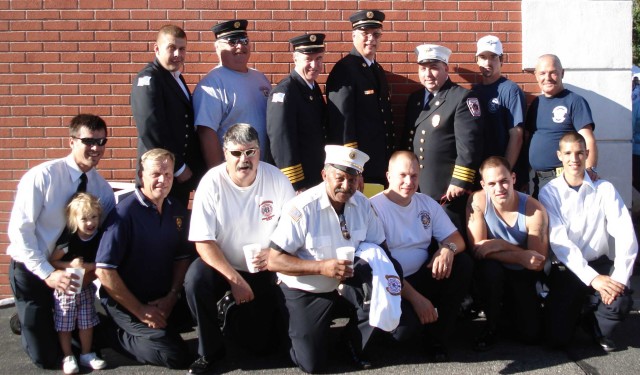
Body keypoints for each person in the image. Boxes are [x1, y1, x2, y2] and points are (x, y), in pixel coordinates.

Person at [268, 145, 402, 373]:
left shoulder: (363, 204)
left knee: (390, 272)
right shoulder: (302, 208)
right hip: (307, 288)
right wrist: (321, 268)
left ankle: (353, 342)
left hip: (346, 280)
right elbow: (274, 260)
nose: (346, 186)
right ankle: (293, 335)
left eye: (353, 179)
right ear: (324, 175)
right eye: (339, 178)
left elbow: (380, 246)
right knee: (312, 364)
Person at [184, 123, 295, 374]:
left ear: (259, 151)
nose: (243, 159)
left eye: (250, 152)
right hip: (223, 265)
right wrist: (234, 279)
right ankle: (209, 351)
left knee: (262, 346)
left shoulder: (276, 178)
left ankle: (230, 314)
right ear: (225, 153)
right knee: (195, 280)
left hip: (265, 266)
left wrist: (275, 254)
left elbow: (292, 229)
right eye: (236, 153)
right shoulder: (211, 183)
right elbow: (203, 241)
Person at [7, 114, 115, 369]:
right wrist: (47, 273)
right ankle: (25, 319)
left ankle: (46, 318)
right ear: (71, 141)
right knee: (47, 357)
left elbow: (105, 239)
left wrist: (91, 272)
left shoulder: (101, 190)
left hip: (71, 273)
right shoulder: (42, 176)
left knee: (92, 337)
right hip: (33, 270)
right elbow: (20, 232)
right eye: (89, 141)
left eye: (101, 142)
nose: (96, 148)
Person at [370, 151, 472, 362]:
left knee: (462, 263)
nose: (409, 182)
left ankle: (437, 338)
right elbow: (381, 265)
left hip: (423, 275)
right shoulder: (374, 207)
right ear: (388, 176)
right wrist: (416, 299)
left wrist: (447, 249)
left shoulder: (426, 203)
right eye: (403, 175)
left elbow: (457, 239)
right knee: (404, 332)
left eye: (414, 176)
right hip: (391, 284)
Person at [539, 132, 637, 351]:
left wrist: (618, 279)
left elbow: (625, 233)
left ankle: (596, 327)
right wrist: (594, 280)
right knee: (556, 339)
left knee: (620, 299)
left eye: (579, 153)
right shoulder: (549, 192)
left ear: (587, 154)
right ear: (560, 156)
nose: (574, 159)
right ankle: (577, 313)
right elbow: (560, 243)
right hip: (568, 268)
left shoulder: (605, 189)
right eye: (568, 153)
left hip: (599, 262)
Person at [95, 148, 192, 369]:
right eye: (155, 174)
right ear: (141, 175)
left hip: (162, 298)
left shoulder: (175, 209)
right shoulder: (124, 213)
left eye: (167, 175)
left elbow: (181, 257)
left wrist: (172, 295)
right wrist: (140, 310)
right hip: (128, 303)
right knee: (174, 355)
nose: (162, 180)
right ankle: (105, 332)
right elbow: (104, 271)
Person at [466, 156, 548, 350]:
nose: (499, 188)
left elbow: (537, 261)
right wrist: (520, 254)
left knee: (530, 335)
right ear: (483, 185)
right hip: (495, 270)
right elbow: (478, 249)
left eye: (504, 181)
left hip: (522, 273)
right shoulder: (477, 201)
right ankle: (491, 324)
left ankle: (512, 312)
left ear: (513, 178)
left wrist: (499, 244)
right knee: (489, 270)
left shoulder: (534, 209)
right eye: (492, 183)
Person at [402, 44, 483, 234]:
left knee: (449, 239)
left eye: (434, 68)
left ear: (445, 68)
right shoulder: (415, 99)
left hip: (446, 191)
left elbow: (469, 145)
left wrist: (459, 182)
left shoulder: (462, 98)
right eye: (423, 69)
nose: (428, 74)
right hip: (417, 187)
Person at [131, 25, 205, 208]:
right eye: (171, 48)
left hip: (176, 177)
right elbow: (151, 131)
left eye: (182, 49)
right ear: (157, 49)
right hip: (159, 174)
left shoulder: (175, 77)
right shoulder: (149, 79)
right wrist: (178, 167)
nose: (177, 54)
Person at [325, 10, 395, 185]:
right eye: (365, 34)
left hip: (378, 162)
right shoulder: (345, 70)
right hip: (359, 166)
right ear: (353, 35)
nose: (371, 39)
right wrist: (352, 166)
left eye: (376, 34)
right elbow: (342, 124)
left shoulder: (376, 70)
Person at [193, 19, 272, 169]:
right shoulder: (212, 84)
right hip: (235, 172)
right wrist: (219, 176)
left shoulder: (259, 78)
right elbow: (206, 133)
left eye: (244, 40)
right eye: (232, 42)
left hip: (262, 170)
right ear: (217, 48)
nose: (240, 46)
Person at [50, 193, 107, 374]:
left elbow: (102, 261)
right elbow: (53, 261)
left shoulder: (100, 237)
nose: (90, 223)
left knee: (86, 322)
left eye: (94, 217)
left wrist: (91, 266)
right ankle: (68, 356)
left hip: (86, 287)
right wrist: (70, 265)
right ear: (74, 220)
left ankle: (86, 353)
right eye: (84, 219)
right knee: (65, 323)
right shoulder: (70, 240)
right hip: (68, 287)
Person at [527, 54, 598, 196]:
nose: (547, 78)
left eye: (553, 72)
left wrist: (590, 170)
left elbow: (588, 139)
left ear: (562, 73)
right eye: (542, 73)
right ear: (536, 75)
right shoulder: (536, 103)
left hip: (564, 178)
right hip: (538, 180)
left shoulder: (574, 101)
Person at [267, 33, 328, 193]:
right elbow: (281, 142)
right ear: (295, 59)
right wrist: (296, 183)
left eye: (319, 58)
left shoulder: (313, 89)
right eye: (308, 59)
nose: (314, 65)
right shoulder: (284, 93)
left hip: (315, 176)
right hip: (299, 182)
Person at [473, 35, 528, 191]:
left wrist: (504, 173)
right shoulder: (474, 92)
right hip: (483, 176)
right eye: (483, 57)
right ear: (477, 60)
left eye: (493, 57)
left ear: (501, 60)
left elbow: (517, 136)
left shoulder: (511, 90)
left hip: (505, 180)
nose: (488, 62)